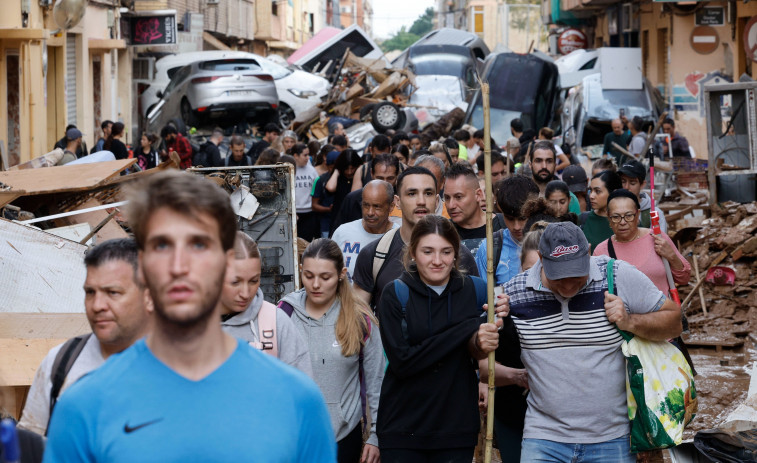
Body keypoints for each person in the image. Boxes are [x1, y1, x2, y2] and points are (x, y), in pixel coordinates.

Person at [43, 170, 335, 462]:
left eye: (198, 245)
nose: (180, 265)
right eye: (162, 245)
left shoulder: (297, 403)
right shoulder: (84, 409)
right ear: (142, 265)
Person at [498, 221, 682, 462]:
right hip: (543, 438)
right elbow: (483, 357)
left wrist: (629, 321)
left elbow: (675, 321)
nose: (567, 285)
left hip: (611, 439)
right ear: (541, 259)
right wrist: (493, 326)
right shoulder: (514, 293)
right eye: (558, 277)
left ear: (588, 253)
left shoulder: (616, 275)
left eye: (576, 275)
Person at [376, 215, 502, 463]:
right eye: (427, 251)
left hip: (456, 427)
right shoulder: (395, 294)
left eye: (446, 252)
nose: (437, 261)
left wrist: (497, 319)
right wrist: (468, 326)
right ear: (413, 252)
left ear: (456, 254)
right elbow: (403, 362)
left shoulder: (477, 290)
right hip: (403, 427)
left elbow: (484, 345)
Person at [19, 239, 153, 437]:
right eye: (90, 292)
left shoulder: (185, 369)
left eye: (113, 292)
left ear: (149, 297)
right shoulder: (61, 362)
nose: (97, 305)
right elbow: (29, 445)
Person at [279, 239, 383, 463]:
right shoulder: (284, 313)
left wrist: (375, 434)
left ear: (341, 274)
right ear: (300, 271)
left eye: (325, 277)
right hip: (295, 433)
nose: (316, 284)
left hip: (344, 434)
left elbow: (376, 382)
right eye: (309, 275)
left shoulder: (360, 318)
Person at [352, 166, 479, 310]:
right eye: (412, 193)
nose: (421, 201)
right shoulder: (374, 254)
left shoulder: (460, 255)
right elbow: (358, 318)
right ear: (397, 202)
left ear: (437, 201)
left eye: (428, 193)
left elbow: (475, 312)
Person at [220, 232, 312, 376]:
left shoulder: (275, 322)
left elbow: (302, 392)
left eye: (253, 281)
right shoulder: (189, 323)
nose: (245, 293)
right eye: (235, 282)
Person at [593, 189, 690, 294]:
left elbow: (684, 279)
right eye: (616, 217)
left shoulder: (657, 239)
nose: (622, 222)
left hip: (663, 310)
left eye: (629, 215)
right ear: (609, 217)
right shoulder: (601, 251)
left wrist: (672, 257)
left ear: (638, 214)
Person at [474, 176, 539, 285]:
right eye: (510, 218)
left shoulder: (551, 242)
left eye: (522, 218)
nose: (516, 226)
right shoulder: (489, 249)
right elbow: (484, 296)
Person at [331, 180, 397, 279]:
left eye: (377, 207)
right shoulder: (342, 232)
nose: (370, 212)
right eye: (366, 205)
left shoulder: (400, 236)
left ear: (391, 206)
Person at [443, 162, 505, 255]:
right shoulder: (443, 231)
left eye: (458, 197)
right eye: (447, 198)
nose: (451, 205)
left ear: (478, 195)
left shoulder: (503, 226)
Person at [332, 154, 401, 231]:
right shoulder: (353, 199)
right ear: (371, 173)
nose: (385, 182)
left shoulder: (402, 202)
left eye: (390, 178)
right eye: (380, 178)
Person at [617, 159, 668, 233]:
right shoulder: (611, 210)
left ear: (642, 185)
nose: (626, 187)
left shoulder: (654, 214)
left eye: (632, 183)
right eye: (623, 181)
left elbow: (659, 241)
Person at [581, 170, 622, 252]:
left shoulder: (628, 221)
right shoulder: (583, 219)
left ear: (613, 193)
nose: (591, 196)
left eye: (597, 191)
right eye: (590, 190)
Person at [293, 143, 318, 242]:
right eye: (305, 155)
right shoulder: (290, 169)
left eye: (308, 155)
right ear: (296, 156)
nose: (308, 158)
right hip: (294, 213)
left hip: (309, 213)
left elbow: (316, 188)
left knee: (305, 244)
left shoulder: (311, 170)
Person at [312, 151, 339, 237]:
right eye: (331, 167)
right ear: (326, 165)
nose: (333, 170)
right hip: (326, 224)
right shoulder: (320, 180)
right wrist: (328, 209)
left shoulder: (346, 179)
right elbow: (314, 205)